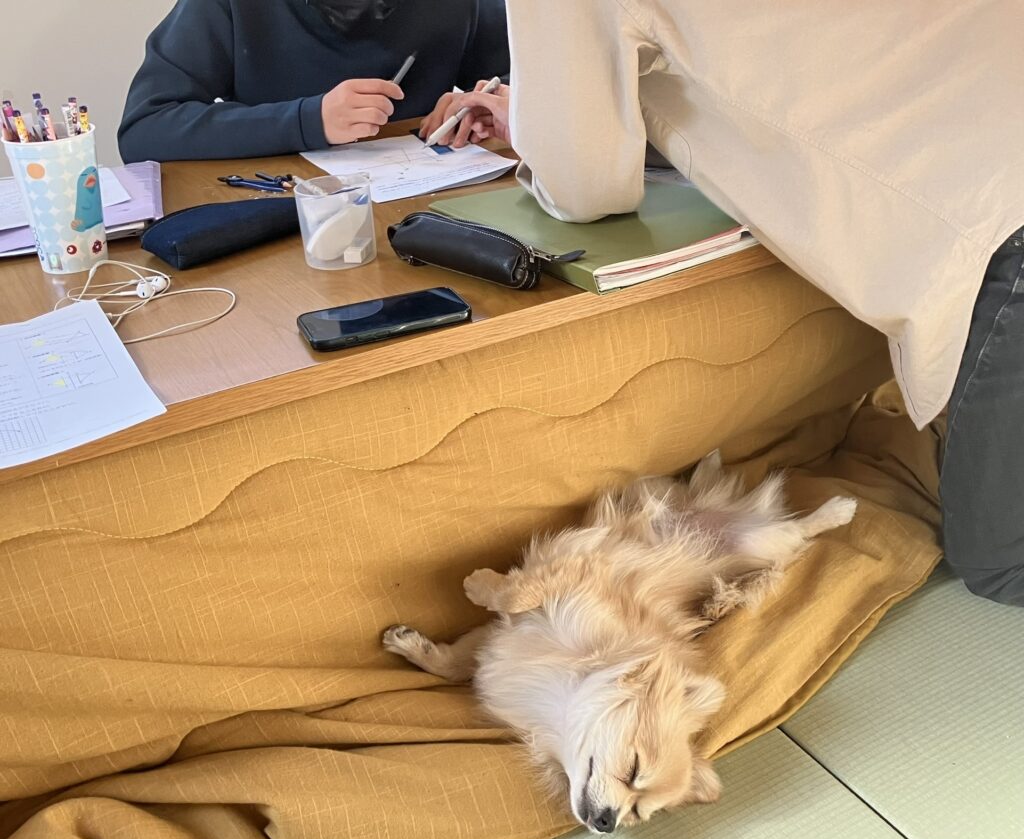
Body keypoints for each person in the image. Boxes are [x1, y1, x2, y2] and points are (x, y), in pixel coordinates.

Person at [423, 0, 1024, 606]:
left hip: (1001, 222)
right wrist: (547, 112)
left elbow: (585, 188)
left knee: (999, 562)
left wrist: (544, 126)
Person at [118, 0, 510, 163]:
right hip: (286, 222)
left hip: (429, 211)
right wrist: (310, 120)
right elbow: (145, 128)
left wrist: (486, 104)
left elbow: (516, 80)